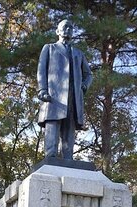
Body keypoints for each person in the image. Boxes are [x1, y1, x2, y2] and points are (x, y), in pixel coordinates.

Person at [37, 19, 92, 160]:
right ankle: (51, 156)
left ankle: (68, 159)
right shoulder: (49, 48)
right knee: (53, 127)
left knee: (69, 130)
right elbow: (41, 70)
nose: (68, 30)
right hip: (54, 96)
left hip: (73, 97)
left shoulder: (78, 53)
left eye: (71, 28)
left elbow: (88, 74)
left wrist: (84, 86)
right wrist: (42, 90)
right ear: (58, 31)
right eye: (65, 27)